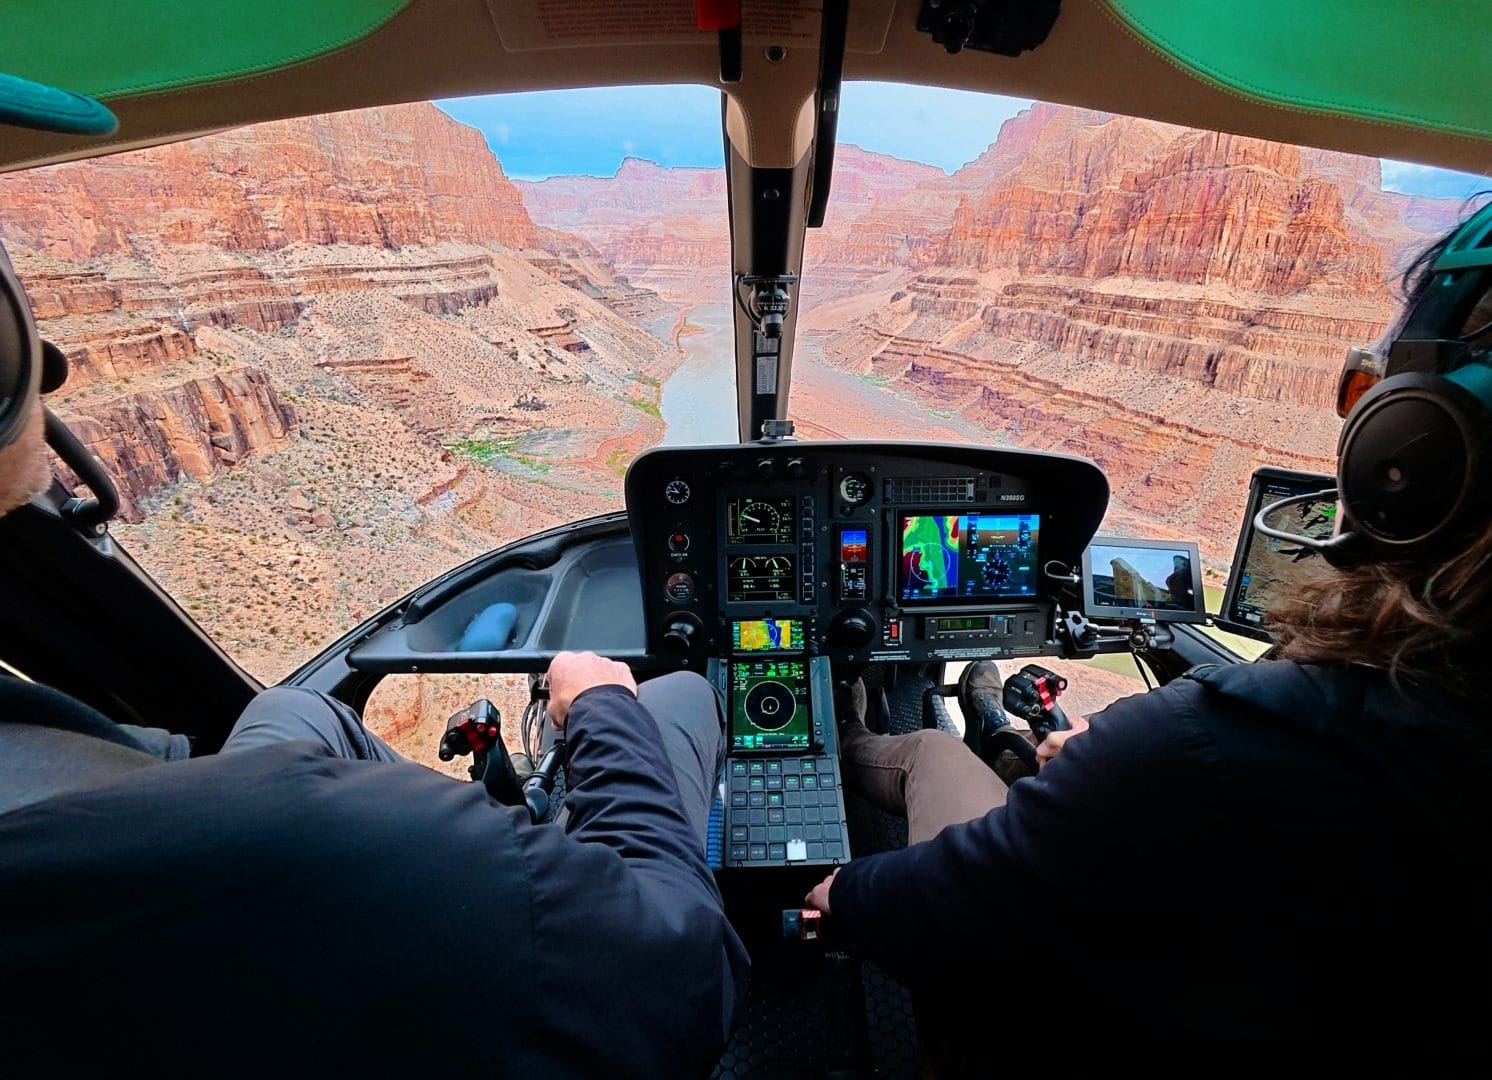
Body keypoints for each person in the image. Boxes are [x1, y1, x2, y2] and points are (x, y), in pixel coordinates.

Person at [0, 200, 745, 1071]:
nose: (47, 364)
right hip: (291, 879)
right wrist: (608, 715)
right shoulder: (354, 848)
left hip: (211, 885)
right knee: (680, 694)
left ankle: (533, 806)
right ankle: (556, 811)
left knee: (299, 709)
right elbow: (684, 970)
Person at [806, 210, 1492, 1073]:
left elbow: (941, 903)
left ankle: (865, 736)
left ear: (1412, 455)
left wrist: (841, 894)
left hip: (1069, 1021)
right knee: (1046, 755)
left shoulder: (1202, 748)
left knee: (927, 761)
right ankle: (1003, 736)